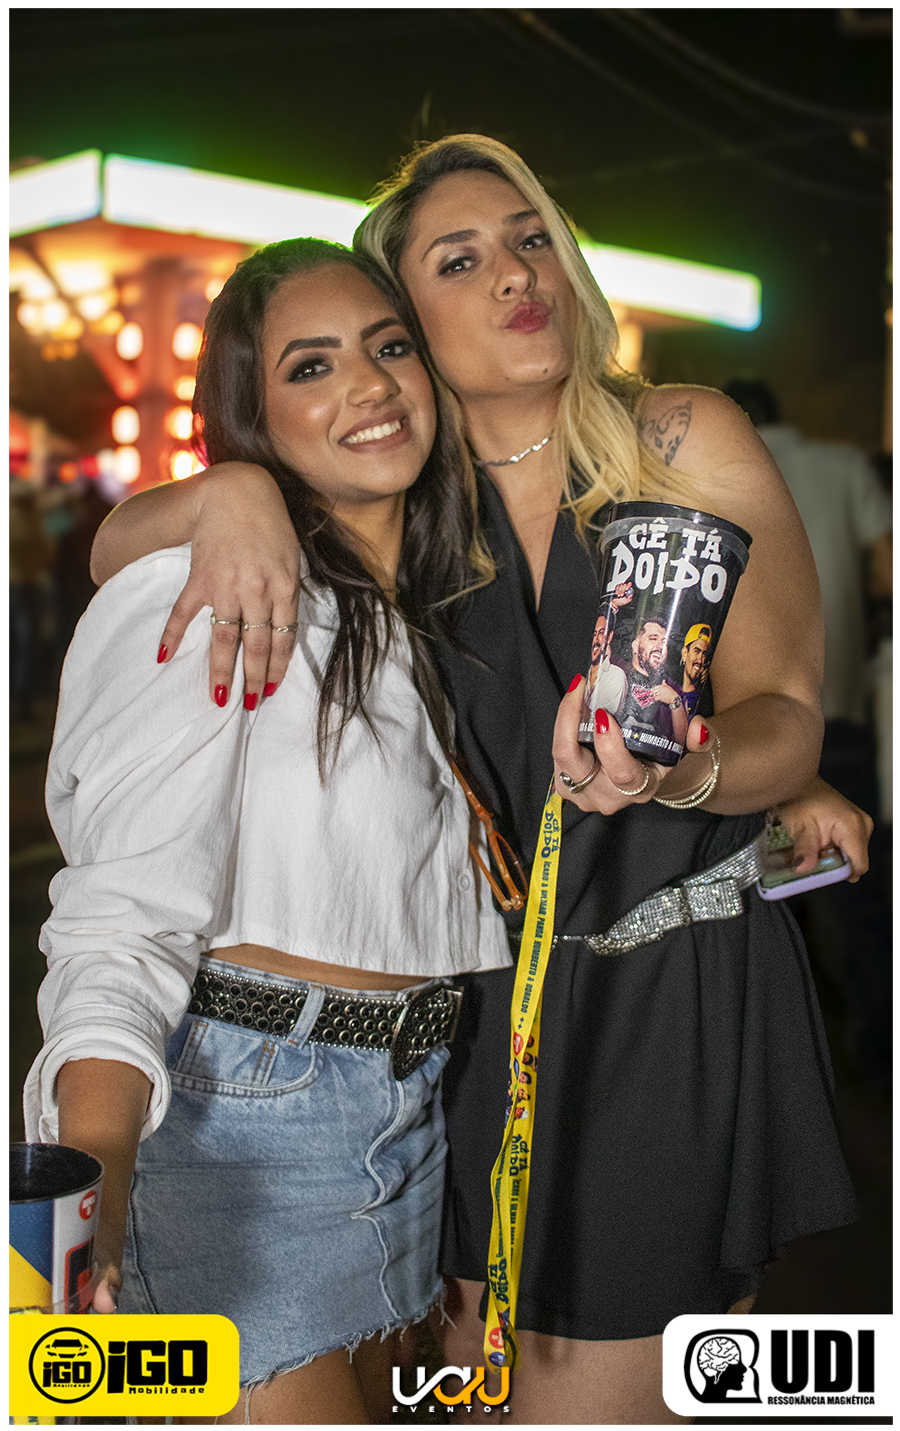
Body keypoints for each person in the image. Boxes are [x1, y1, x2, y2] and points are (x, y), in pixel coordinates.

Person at [91, 138, 871, 1426]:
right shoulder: (399, 498)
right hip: (462, 1021)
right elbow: (124, 542)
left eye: (530, 237)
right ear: (407, 322)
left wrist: (693, 776)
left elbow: (785, 710)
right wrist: (228, 493)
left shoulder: (674, 436)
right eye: (460, 261)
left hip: (657, 996)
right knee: (458, 1390)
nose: (516, 272)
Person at [24, 237, 511, 1426]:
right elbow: (118, 920)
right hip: (241, 1126)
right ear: (253, 415)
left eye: (388, 347)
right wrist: (89, 1212)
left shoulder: (422, 616)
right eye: (311, 365)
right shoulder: (214, 591)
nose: (369, 383)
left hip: (408, 1110)